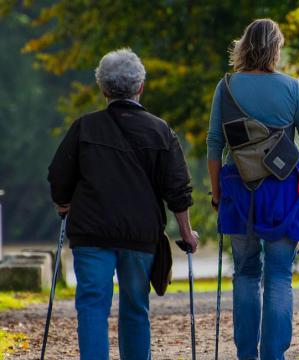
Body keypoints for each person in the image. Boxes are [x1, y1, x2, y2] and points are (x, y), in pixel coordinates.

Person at [48, 48, 198, 360]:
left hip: (92, 232)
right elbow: (177, 188)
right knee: (135, 307)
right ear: (140, 86)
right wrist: (186, 231)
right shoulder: (160, 130)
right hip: (140, 234)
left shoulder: (84, 127)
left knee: (91, 305)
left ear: (103, 89)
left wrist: (63, 202)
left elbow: (59, 173)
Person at [206, 18, 299, 360]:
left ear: (244, 46)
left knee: (245, 272)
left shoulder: (225, 87)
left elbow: (214, 144)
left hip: (239, 189)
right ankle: (273, 355)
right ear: (275, 49)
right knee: (280, 275)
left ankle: (245, 354)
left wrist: (216, 192)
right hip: (283, 192)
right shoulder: (294, 88)